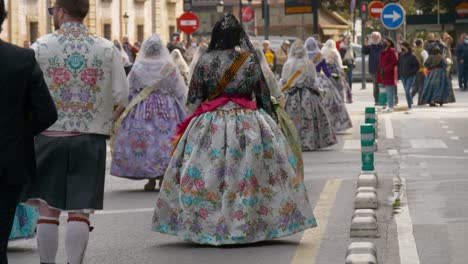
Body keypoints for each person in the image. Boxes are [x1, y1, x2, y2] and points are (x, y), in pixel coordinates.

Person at [152, 14, 316, 245]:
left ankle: (207, 224)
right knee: (249, 175)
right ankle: (249, 222)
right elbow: (262, 96)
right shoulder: (248, 60)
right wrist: (272, 124)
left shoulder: (205, 61)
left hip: (211, 122)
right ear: (239, 36)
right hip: (249, 123)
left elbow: (194, 98)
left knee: (207, 174)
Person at [21, 1, 129, 263]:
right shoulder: (106, 47)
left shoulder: (40, 47)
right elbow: (121, 94)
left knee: (48, 210)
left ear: (59, 11)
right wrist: (107, 119)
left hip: (48, 136)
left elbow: (26, 95)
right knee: (80, 211)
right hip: (90, 138)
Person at [0, 0, 58, 261]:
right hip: (8, 161)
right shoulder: (21, 58)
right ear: (3, 17)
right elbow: (47, 112)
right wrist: (18, 132)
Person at [111, 34, 187, 192]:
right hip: (168, 108)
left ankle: (151, 179)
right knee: (166, 140)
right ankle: (162, 177)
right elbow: (179, 90)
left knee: (147, 141)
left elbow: (129, 90)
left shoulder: (138, 67)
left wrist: (118, 112)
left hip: (142, 108)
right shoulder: (169, 66)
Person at [281, 39, 337, 150]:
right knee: (310, 117)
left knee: (292, 119)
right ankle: (310, 142)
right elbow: (312, 79)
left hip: (292, 94)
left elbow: (284, 79)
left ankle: (293, 142)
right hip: (308, 94)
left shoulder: (288, 63)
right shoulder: (308, 63)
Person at [304, 37, 352, 133]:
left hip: (308, 80)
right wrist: (331, 78)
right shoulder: (319, 55)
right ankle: (334, 124)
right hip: (321, 80)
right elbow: (325, 70)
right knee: (333, 101)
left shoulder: (304, 56)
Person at [322, 39, 352, 103]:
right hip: (334, 72)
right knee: (339, 85)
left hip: (325, 71)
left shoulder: (322, 51)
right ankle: (340, 99)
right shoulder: (334, 52)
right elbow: (339, 64)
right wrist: (344, 70)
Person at [377, 37, 398, 113]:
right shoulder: (383, 52)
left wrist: (386, 69)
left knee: (389, 91)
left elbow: (395, 62)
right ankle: (389, 105)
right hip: (384, 74)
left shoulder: (392, 51)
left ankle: (391, 107)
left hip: (390, 74)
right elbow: (381, 62)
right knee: (387, 90)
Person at [398, 41, 420, 113]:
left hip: (410, 76)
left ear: (406, 47)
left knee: (407, 91)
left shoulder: (412, 56)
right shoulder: (401, 55)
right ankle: (410, 103)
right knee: (406, 91)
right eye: (401, 46)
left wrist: (412, 72)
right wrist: (399, 74)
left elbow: (417, 65)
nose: (401, 48)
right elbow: (400, 65)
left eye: (402, 46)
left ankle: (410, 106)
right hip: (403, 76)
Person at [363, 32, 385, 102]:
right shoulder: (370, 46)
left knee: (382, 84)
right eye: (373, 37)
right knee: (375, 85)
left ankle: (383, 99)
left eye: (376, 37)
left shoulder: (382, 45)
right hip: (373, 69)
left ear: (379, 37)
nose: (374, 38)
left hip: (382, 68)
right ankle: (376, 99)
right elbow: (364, 52)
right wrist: (365, 45)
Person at [412, 39, 429, 104]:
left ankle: (410, 98)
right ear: (421, 44)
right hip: (422, 70)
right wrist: (426, 71)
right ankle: (420, 100)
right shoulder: (423, 51)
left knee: (415, 85)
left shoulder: (413, 51)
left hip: (414, 71)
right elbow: (426, 62)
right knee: (422, 85)